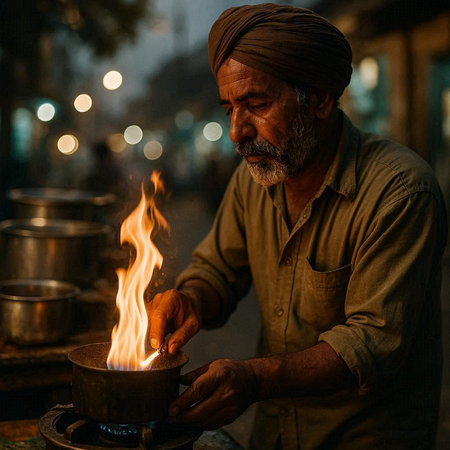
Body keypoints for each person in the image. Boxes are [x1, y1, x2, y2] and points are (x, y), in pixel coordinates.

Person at [147, 4, 448, 449]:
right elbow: (218, 271)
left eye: (257, 105)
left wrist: (253, 378)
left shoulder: (401, 191)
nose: (236, 132)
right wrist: (191, 299)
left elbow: (371, 343)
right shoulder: (255, 180)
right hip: (275, 435)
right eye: (229, 108)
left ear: (321, 99)